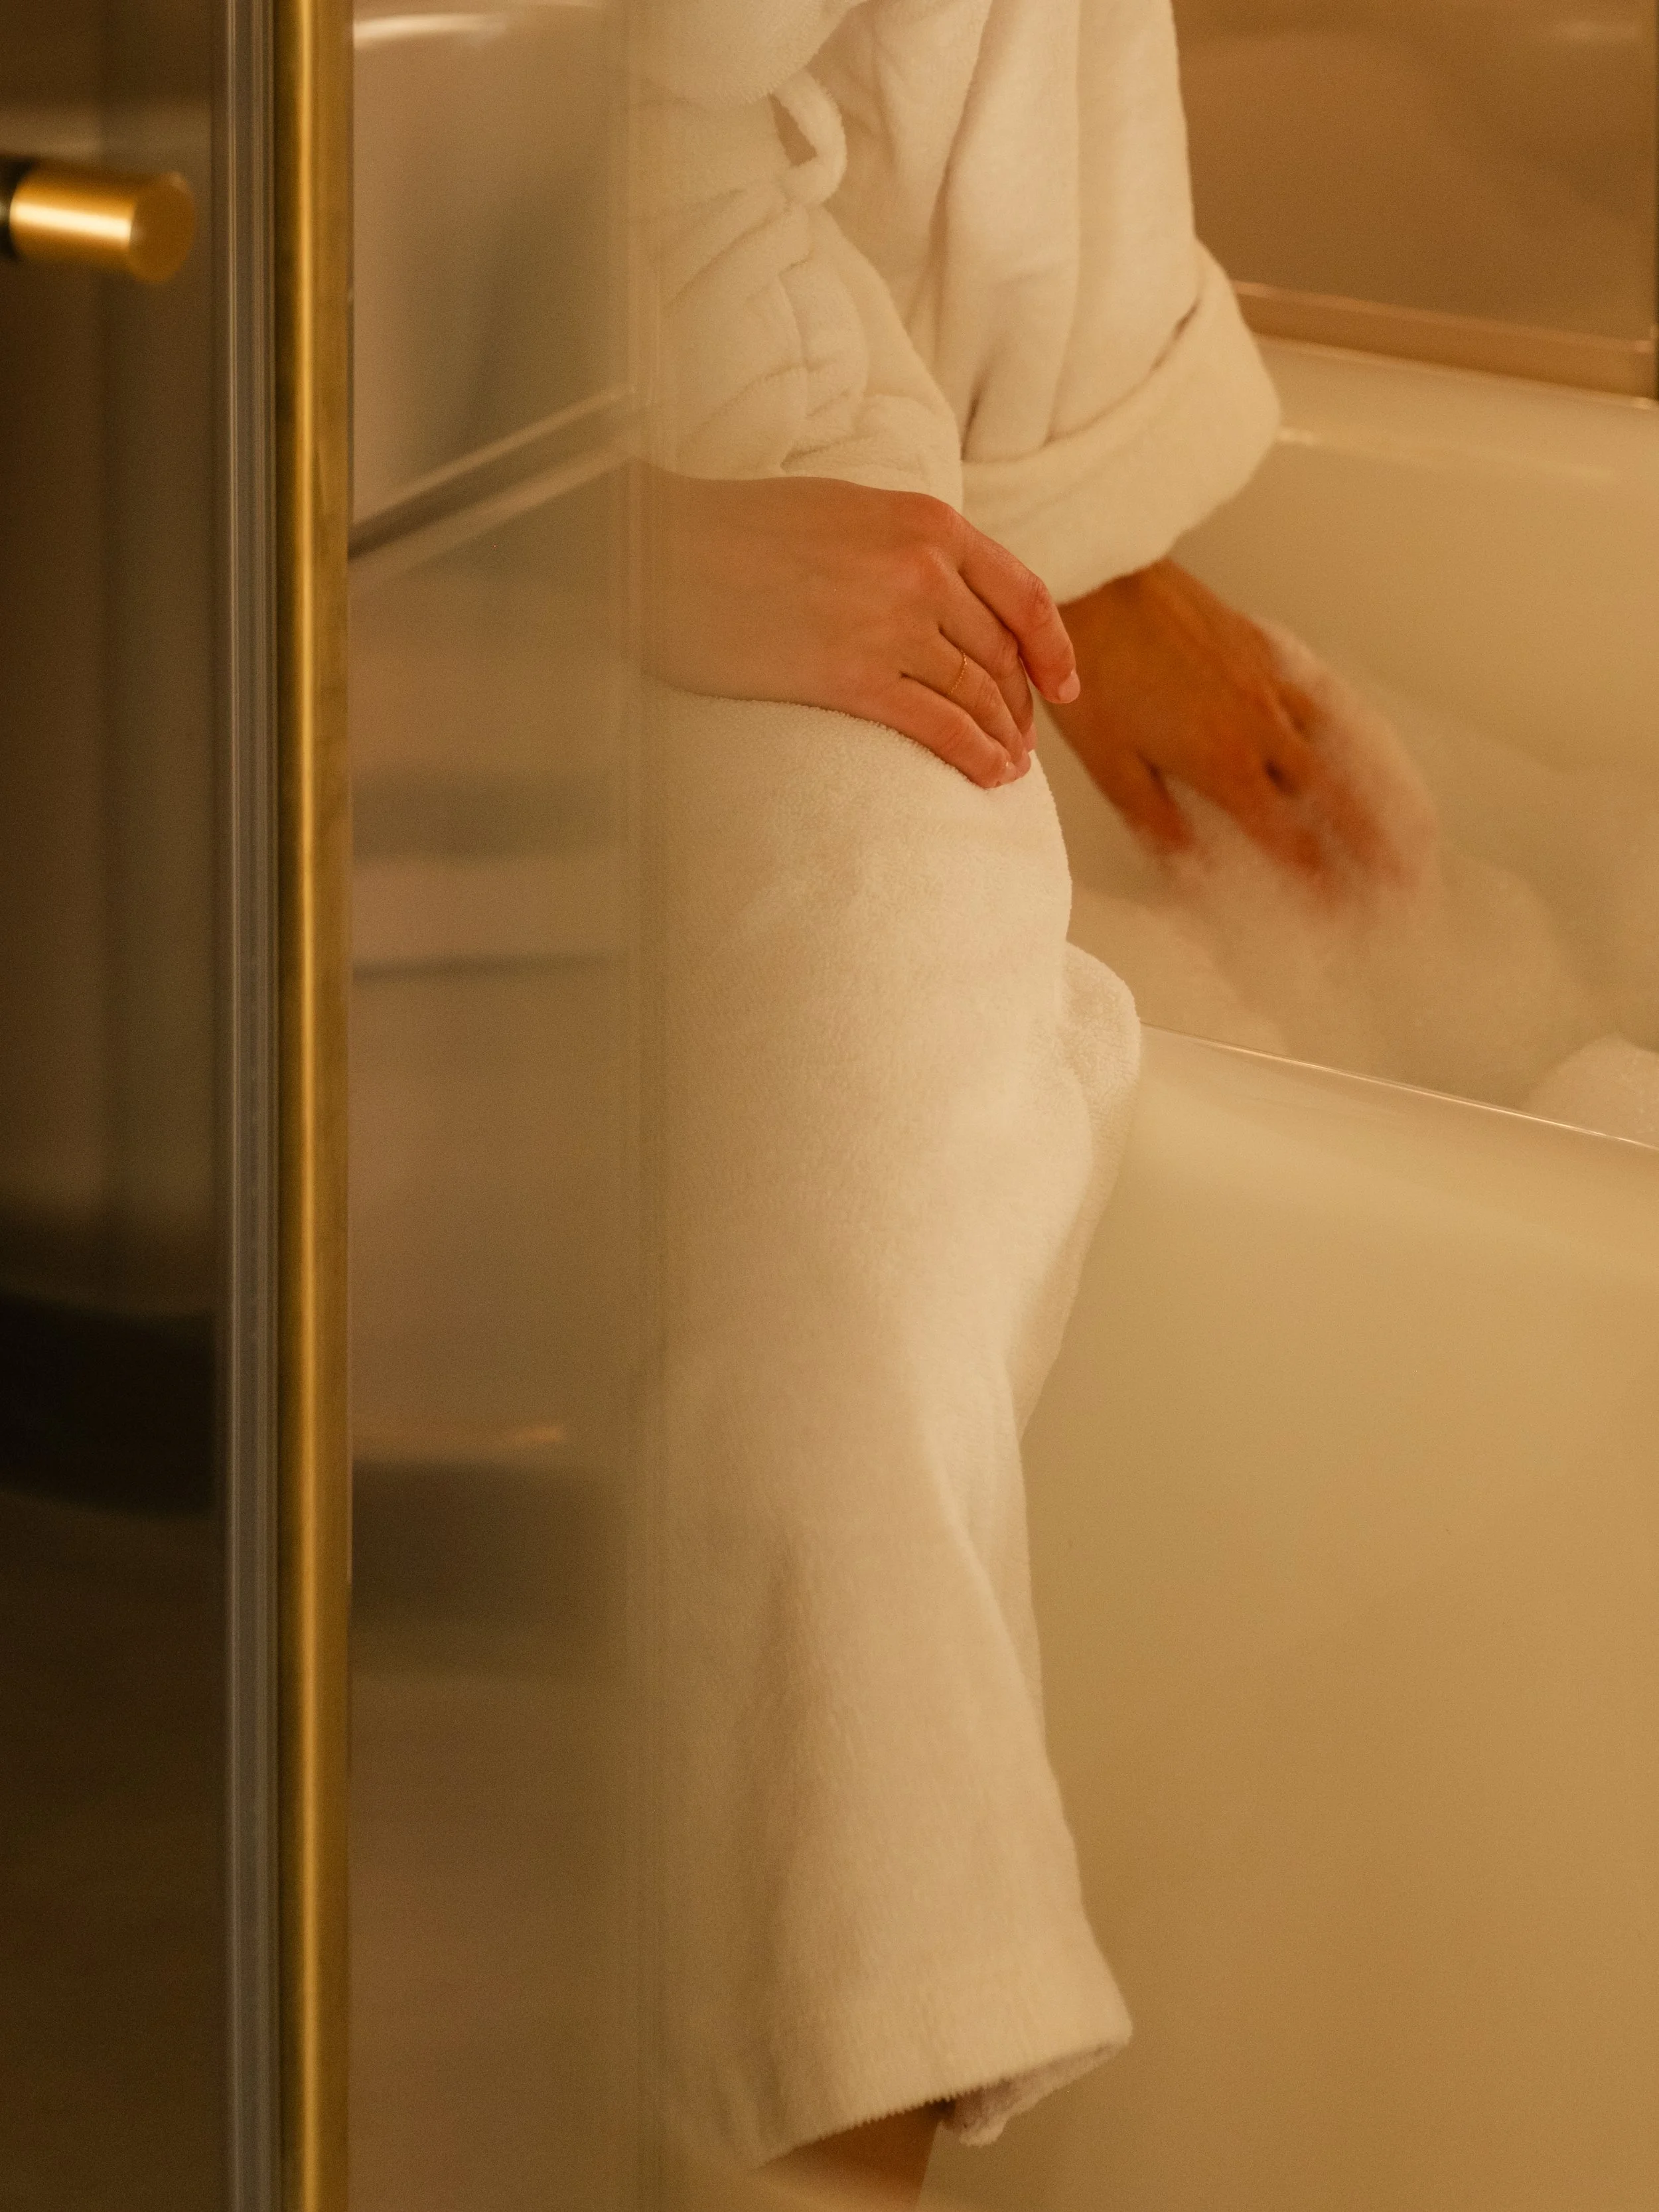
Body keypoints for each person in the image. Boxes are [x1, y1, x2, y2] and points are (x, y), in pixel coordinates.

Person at [633, 2, 1379, 2203]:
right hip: (198, 444)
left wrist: (1079, 541)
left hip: (723, 392)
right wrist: (611, 537)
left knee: (814, 1371)